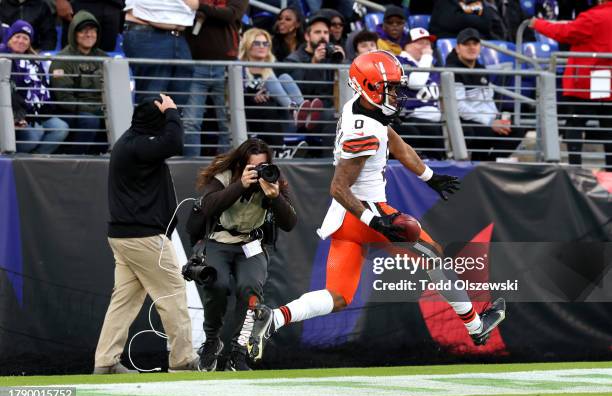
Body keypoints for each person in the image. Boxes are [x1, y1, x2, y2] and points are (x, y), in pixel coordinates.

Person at [247, 51, 506, 362]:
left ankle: (274, 318)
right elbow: (338, 187)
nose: (395, 94)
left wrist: (430, 176)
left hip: (344, 221)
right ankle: (477, 327)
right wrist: (375, 220)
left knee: (339, 296)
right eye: (390, 88)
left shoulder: (361, 108)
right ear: (369, 86)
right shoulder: (366, 129)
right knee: (435, 257)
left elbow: (397, 144)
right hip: (364, 212)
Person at [94, 94, 200, 374]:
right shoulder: (139, 146)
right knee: (174, 292)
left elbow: (166, 141)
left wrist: (166, 114)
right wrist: (173, 113)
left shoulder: (131, 141)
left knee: (125, 301)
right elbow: (175, 142)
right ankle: (183, 360)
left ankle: (105, 362)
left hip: (125, 236)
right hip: (143, 237)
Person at [186, 138, 297, 371]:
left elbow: (289, 223)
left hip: (251, 244)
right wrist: (240, 185)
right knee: (217, 284)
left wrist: (274, 196)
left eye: (262, 167)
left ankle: (239, 350)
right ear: (241, 164)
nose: (258, 172)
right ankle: (211, 341)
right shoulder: (226, 175)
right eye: (252, 168)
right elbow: (208, 206)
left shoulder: (272, 179)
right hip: (220, 240)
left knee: (250, 291)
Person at [530, 0, 612, 167]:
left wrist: (537, 23)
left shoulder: (593, 17)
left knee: (575, 121)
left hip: (584, 76)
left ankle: (575, 167)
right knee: (608, 125)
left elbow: (564, 32)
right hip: (605, 77)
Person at [445, 28, 523, 161]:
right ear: (458, 48)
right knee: (486, 135)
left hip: (485, 121)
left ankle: (489, 164)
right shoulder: (451, 70)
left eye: (475, 44)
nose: (471, 48)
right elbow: (459, 107)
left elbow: (488, 99)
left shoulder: (481, 69)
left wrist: (497, 118)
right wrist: (490, 122)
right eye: (466, 44)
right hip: (466, 122)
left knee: (517, 131)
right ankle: (481, 164)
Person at [183, 0, 248, 156]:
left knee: (228, 123)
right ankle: (190, 169)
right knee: (190, 123)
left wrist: (200, 7)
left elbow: (231, 14)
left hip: (226, 67)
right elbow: (183, 12)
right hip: (195, 65)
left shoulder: (200, 4)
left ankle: (228, 169)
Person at [239, 28, 322, 148]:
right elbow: (238, 96)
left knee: (284, 77)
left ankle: (301, 108)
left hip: (278, 112)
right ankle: (297, 112)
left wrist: (268, 93)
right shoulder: (240, 69)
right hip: (255, 113)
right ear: (247, 45)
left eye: (265, 43)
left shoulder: (272, 68)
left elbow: (276, 90)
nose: (262, 46)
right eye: (257, 43)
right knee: (272, 81)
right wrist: (254, 96)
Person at [0, 20, 69, 154]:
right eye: (17, 36)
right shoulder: (2, 56)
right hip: (14, 113)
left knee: (61, 128)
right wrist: (17, 116)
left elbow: (44, 89)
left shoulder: (34, 61)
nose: (21, 41)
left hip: (34, 113)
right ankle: (15, 162)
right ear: (9, 38)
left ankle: (34, 163)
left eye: (25, 38)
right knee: (34, 136)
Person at [282, 12, 346, 156]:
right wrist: (314, 64)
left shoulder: (333, 57)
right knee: (334, 117)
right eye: (317, 32)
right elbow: (300, 91)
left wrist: (342, 65)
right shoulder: (294, 60)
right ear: (307, 36)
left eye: (326, 32)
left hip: (331, 108)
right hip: (308, 113)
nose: (323, 36)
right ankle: (331, 165)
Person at [49, 10, 108, 154]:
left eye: (93, 30)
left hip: (100, 110)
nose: (89, 35)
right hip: (72, 112)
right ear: (74, 34)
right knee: (90, 120)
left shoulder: (104, 57)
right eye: (83, 31)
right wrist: (95, 110)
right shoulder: (62, 60)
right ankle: (76, 158)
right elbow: (64, 99)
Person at [122, 0, 196, 106]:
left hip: (180, 36)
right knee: (152, 100)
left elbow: (194, 4)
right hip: (147, 32)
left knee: (179, 98)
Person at [397, 28, 446, 160]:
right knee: (432, 132)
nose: (425, 47)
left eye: (427, 43)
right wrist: (427, 56)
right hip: (410, 116)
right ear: (406, 46)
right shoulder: (400, 61)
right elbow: (416, 83)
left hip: (436, 118)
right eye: (420, 42)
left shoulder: (431, 64)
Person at [429, 0, 496, 40]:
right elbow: (453, 21)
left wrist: (465, 18)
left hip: (478, 41)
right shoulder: (444, 2)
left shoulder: (478, 2)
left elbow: (487, 23)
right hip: (452, 41)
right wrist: (476, 20)